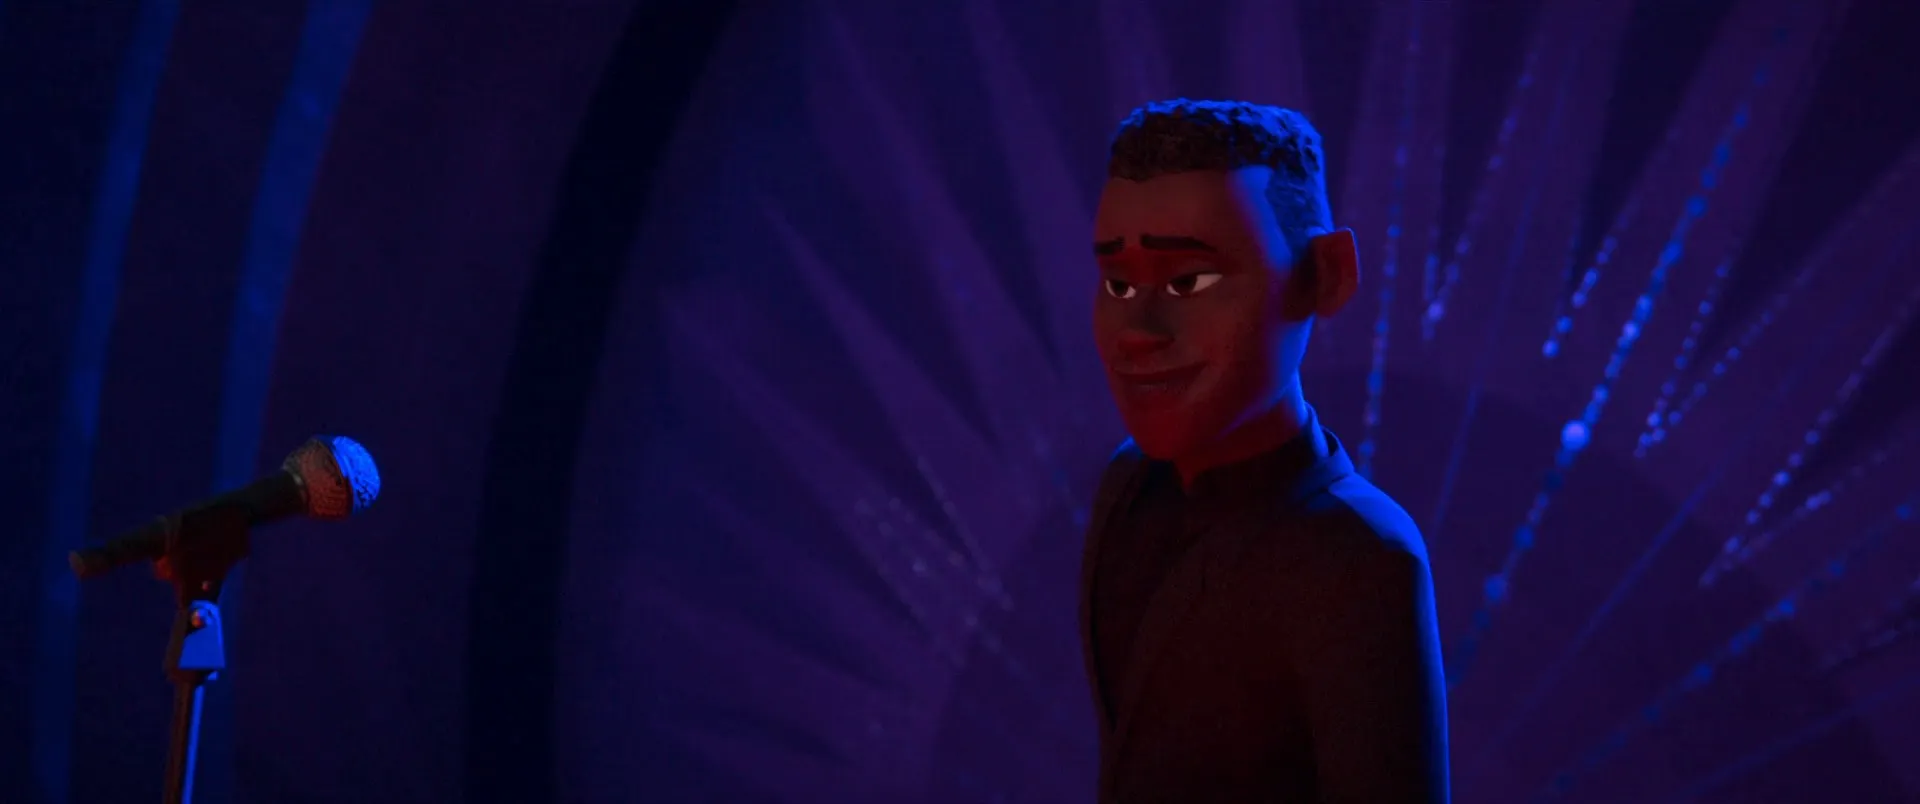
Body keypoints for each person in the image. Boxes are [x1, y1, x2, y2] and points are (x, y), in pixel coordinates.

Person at [1080, 99, 1450, 802]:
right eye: (1118, 284)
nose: (1136, 329)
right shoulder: (1126, 486)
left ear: (1324, 275)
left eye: (1189, 281)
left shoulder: (1360, 556)